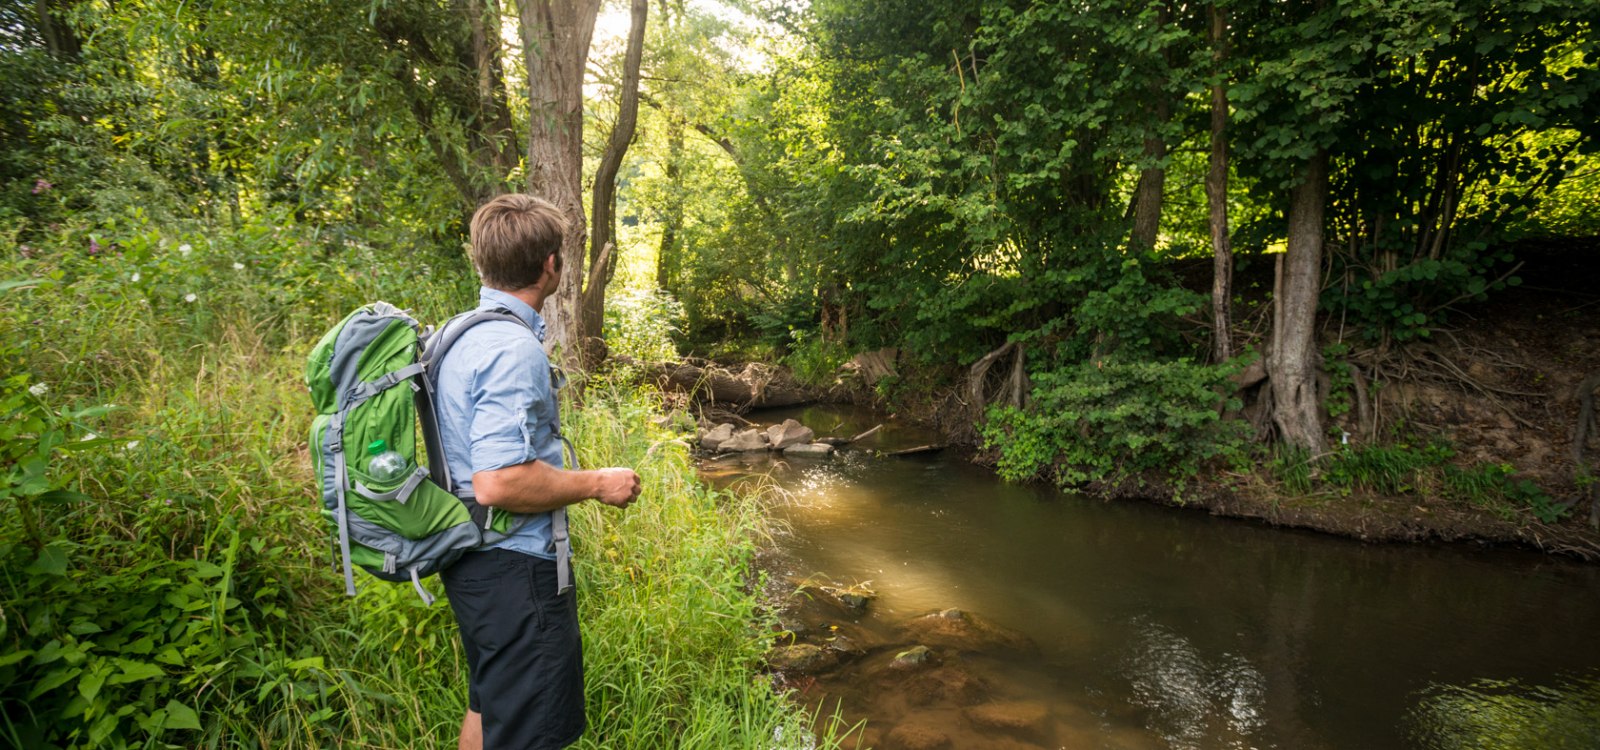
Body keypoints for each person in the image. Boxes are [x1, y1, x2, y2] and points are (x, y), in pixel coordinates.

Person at [434, 193, 642, 749]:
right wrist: (600, 483)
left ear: (482, 262)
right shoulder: (510, 348)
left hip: (472, 562)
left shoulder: (457, 334)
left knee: (491, 701)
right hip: (515, 570)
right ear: (552, 265)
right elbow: (499, 481)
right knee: (531, 734)